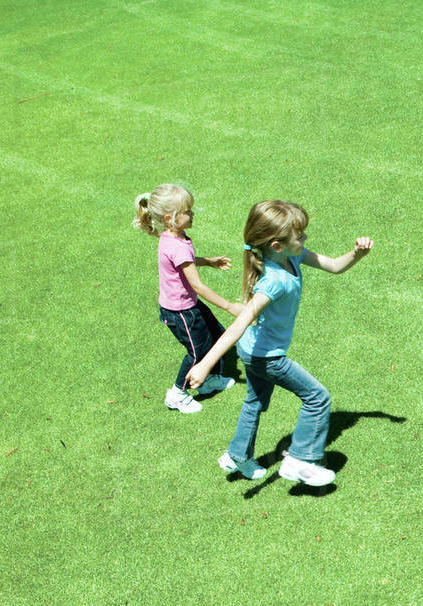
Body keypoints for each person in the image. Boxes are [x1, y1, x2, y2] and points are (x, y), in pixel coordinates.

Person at [186, 200, 373, 486]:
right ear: (276, 245)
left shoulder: (293, 256)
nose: (305, 238)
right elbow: (239, 324)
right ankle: (299, 460)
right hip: (266, 357)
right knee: (317, 398)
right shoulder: (272, 282)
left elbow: (334, 266)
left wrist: (357, 253)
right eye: (300, 235)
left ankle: (237, 454)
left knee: (255, 401)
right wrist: (205, 365)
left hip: (252, 350)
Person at [133, 183, 241, 413]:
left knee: (216, 335)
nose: (192, 214)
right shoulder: (177, 244)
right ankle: (177, 393)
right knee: (197, 352)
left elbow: (185, 263)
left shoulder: (175, 237)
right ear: (169, 217)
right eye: (187, 211)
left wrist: (207, 261)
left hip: (187, 305)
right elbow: (198, 286)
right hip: (180, 312)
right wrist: (230, 306)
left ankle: (209, 379)